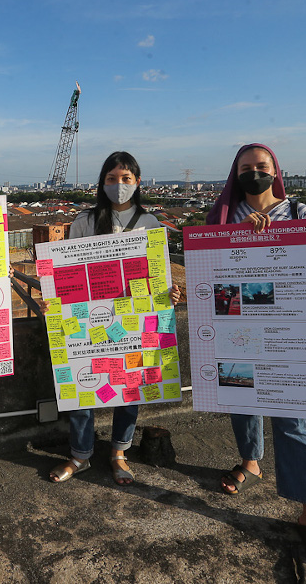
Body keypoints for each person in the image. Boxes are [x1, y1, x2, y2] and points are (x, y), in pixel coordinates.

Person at [205, 143, 306, 569]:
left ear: (275, 171)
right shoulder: (223, 217)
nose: (253, 173)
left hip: (287, 326)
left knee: (291, 418)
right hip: (238, 323)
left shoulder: (299, 214)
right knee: (241, 399)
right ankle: (251, 462)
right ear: (234, 172)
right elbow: (212, 272)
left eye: (261, 167)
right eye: (245, 167)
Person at [48, 151, 181, 486]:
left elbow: (157, 276)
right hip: (88, 318)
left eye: (125, 179)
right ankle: (80, 455)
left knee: (130, 385)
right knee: (83, 382)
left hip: (133, 319)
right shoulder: (84, 221)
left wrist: (169, 294)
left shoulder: (150, 223)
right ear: (101, 182)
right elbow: (66, 270)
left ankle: (119, 451)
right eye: (111, 178)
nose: (118, 185)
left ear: (137, 182)